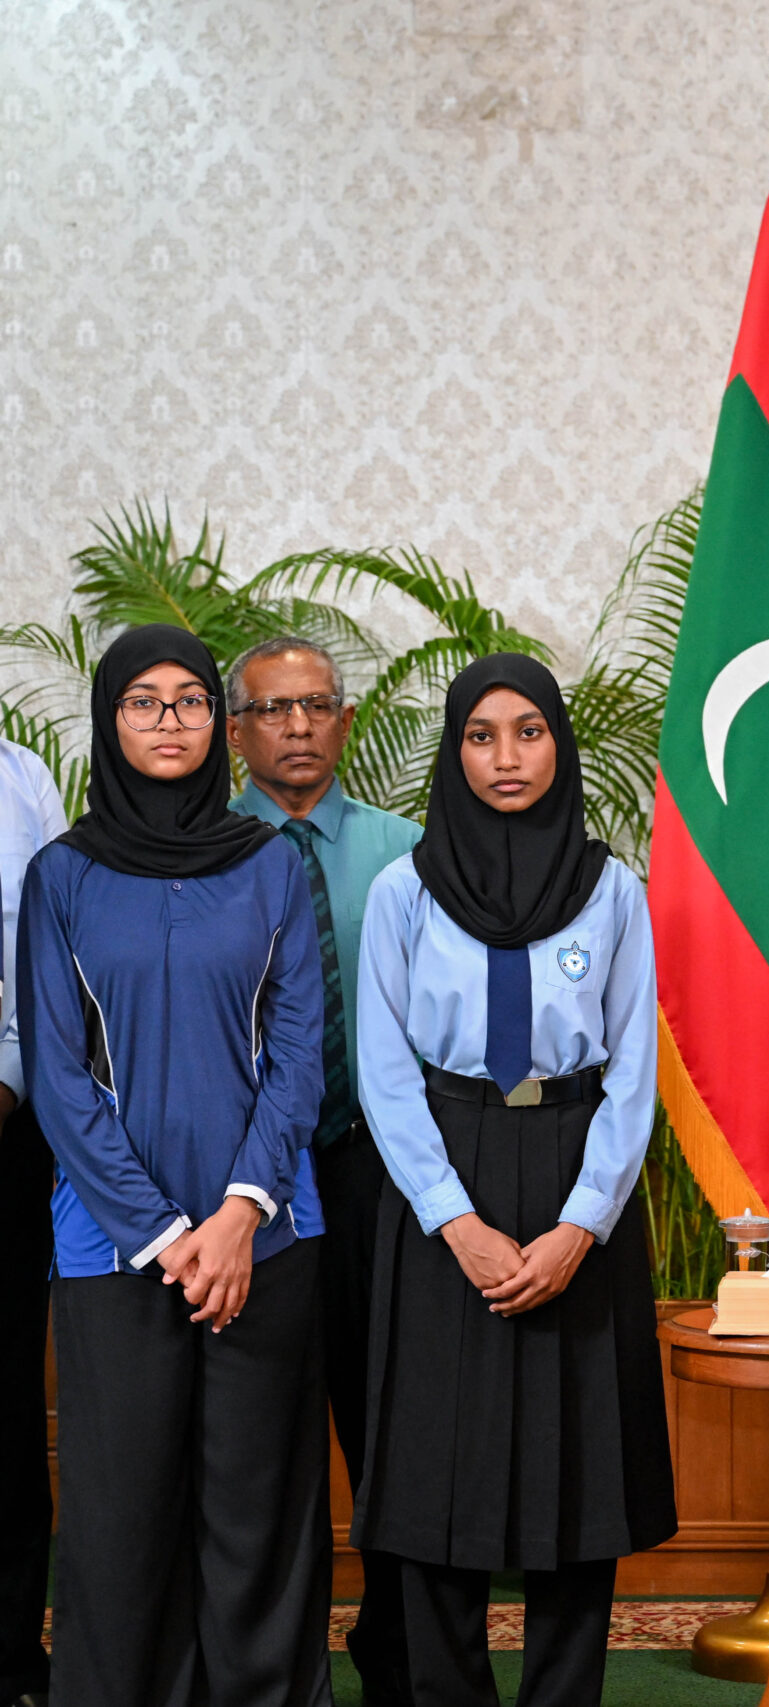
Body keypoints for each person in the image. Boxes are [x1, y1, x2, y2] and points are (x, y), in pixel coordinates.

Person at [353, 655, 674, 1707]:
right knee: (436, 1462)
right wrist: (455, 1219)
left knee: (578, 1467)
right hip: (442, 1174)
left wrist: (582, 1225)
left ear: (559, 746)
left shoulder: (610, 889)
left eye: (529, 731)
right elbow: (384, 1072)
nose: (506, 757)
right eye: (480, 735)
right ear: (453, 752)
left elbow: (634, 1071)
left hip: (578, 1166)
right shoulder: (403, 890)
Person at [26, 624, 331, 1707]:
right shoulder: (61, 875)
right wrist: (166, 1237)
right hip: (114, 1248)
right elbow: (57, 1074)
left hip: (266, 1238)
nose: (170, 720)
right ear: (110, 719)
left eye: (191, 700)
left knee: (259, 1510)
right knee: (121, 1512)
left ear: (218, 722)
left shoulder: (270, 864)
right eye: (144, 701)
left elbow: (300, 1053)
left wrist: (239, 1215)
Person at [227, 634, 424, 1706]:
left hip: (378, 1176)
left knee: (391, 1418)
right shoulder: (204, 854)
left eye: (316, 705)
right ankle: (276, 1663)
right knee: (268, 1435)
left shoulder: (410, 852)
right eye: (272, 709)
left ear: (347, 721)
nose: (297, 726)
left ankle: (397, 1651)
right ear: (236, 732)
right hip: (246, 1189)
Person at [0, 736, 65, 1707]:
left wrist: (6, 1082)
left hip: (6, 1128)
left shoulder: (24, 778)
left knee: (7, 1404)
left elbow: (50, 956)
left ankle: (10, 1655)